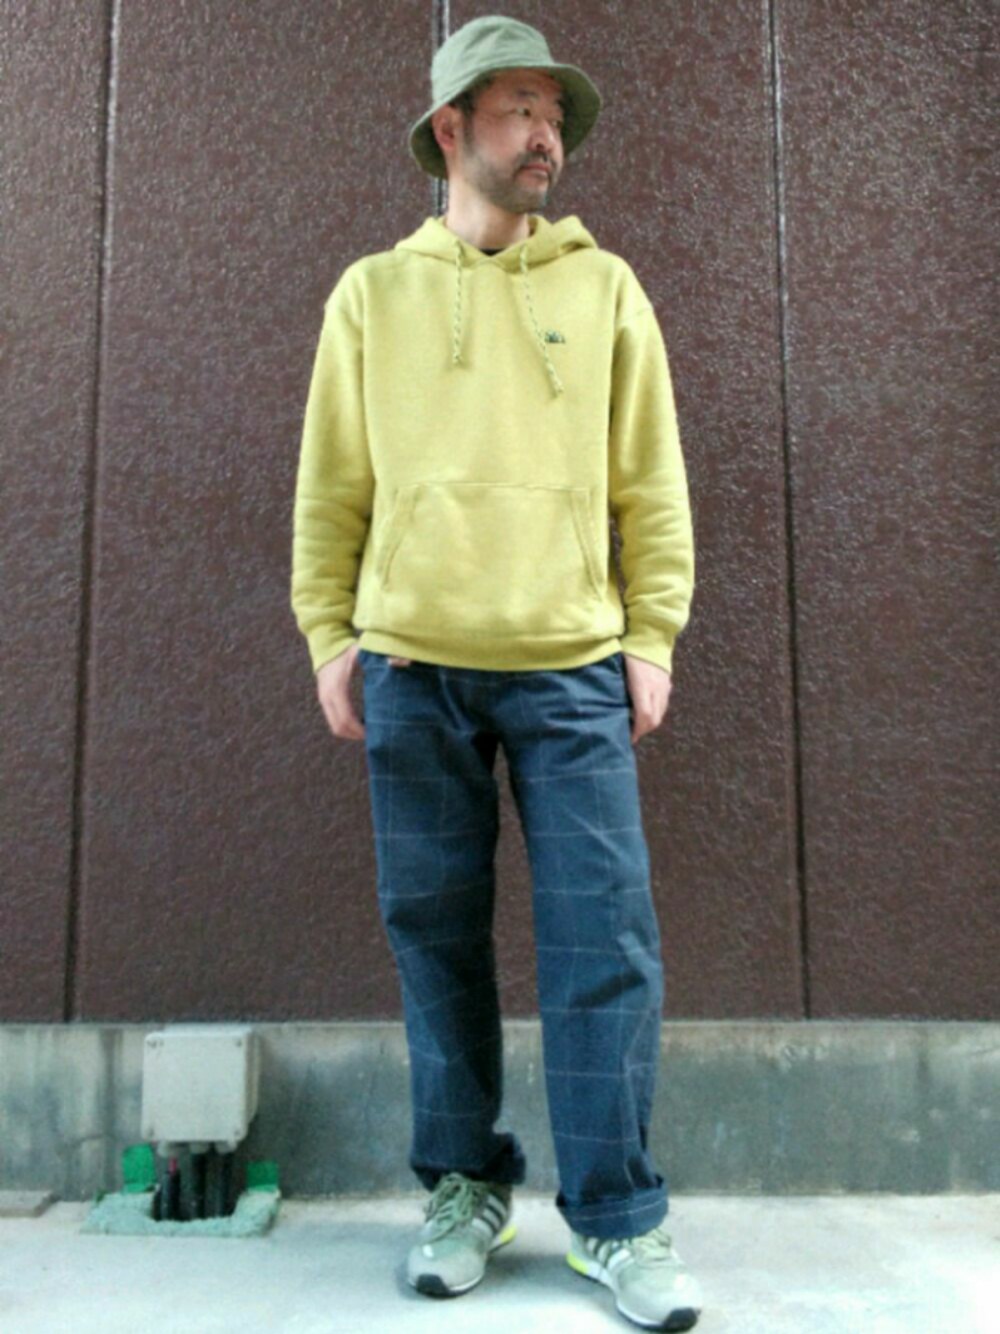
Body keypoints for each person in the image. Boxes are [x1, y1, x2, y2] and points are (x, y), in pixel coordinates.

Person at [291, 14, 703, 1331]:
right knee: (435, 941)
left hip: (572, 667)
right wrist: (331, 633)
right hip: (413, 665)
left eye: (554, 114)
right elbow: (332, 485)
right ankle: (464, 1188)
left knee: (604, 943)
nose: (545, 136)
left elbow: (651, 482)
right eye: (520, 109)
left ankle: (618, 1219)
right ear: (451, 128)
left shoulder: (606, 287)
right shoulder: (373, 295)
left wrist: (651, 635)